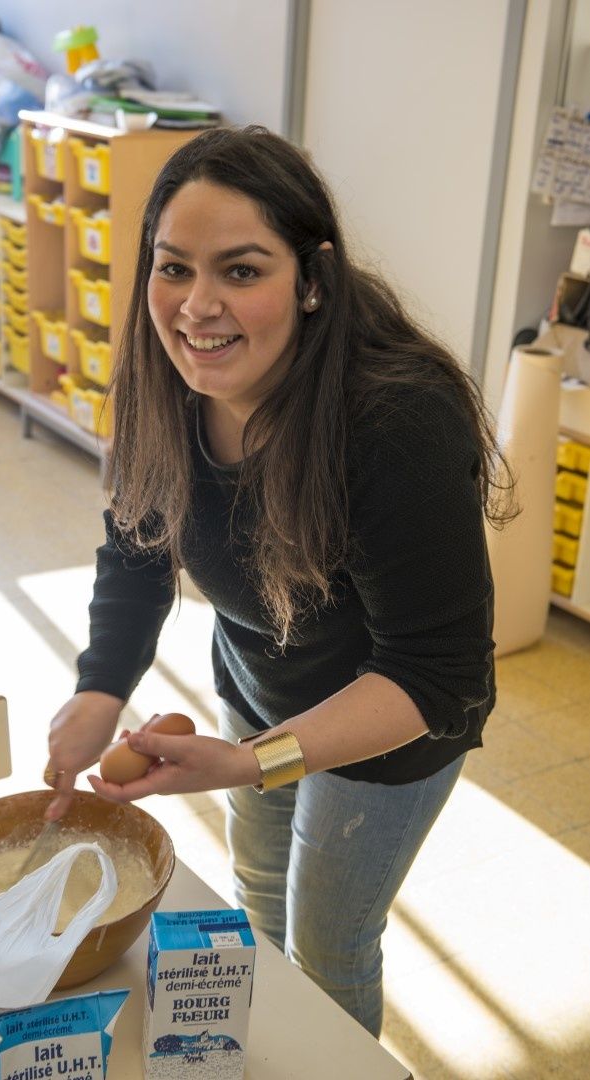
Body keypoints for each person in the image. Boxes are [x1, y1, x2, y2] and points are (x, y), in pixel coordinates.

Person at [44, 125, 513, 1038]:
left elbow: (434, 670)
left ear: (311, 280)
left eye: (241, 270)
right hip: (258, 685)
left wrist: (250, 762)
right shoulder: (162, 384)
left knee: (328, 944)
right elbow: (138, 548)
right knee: (258, 893)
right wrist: (100, 687)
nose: (196, 307)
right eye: (173, 267)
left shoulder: (395, 420)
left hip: (389, 728)